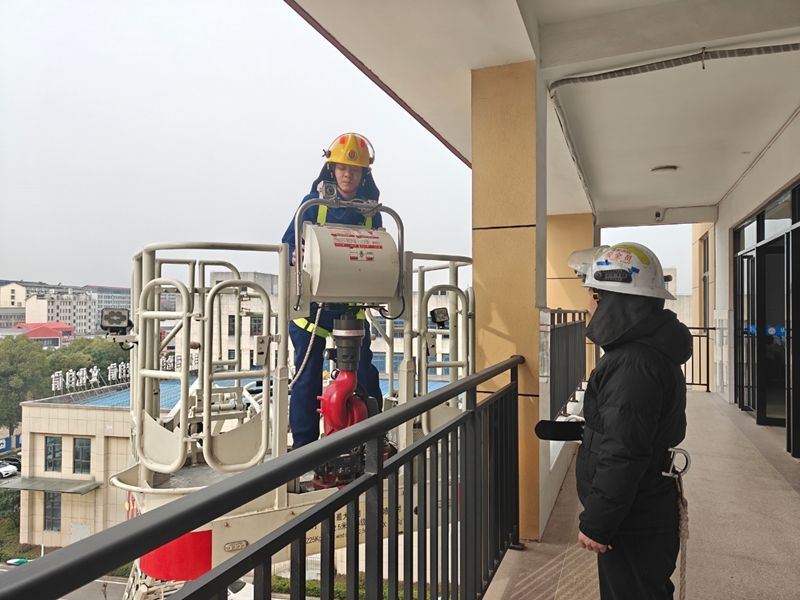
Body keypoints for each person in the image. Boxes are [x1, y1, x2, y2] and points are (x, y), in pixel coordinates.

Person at [567, 242, 693, 600]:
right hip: (641, 509)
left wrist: (598, 522)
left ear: (613, 300)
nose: (588, 305)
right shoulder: (643, 353)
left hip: (634, 517)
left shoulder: (633, 364)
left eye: (593, 295)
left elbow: (625, 450)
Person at [281, 132, 383, 449]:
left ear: (364, 175)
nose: (347, 175)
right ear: (331, 170)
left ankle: (372, 442)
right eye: (341, 168)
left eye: (354, 170)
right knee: (307, 379)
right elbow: (288, 243)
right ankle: (304, 450)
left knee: (365, 375)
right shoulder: (313, 205)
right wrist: (295, 253)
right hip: (312, 312)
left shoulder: (370, 211)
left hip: (351, 310)